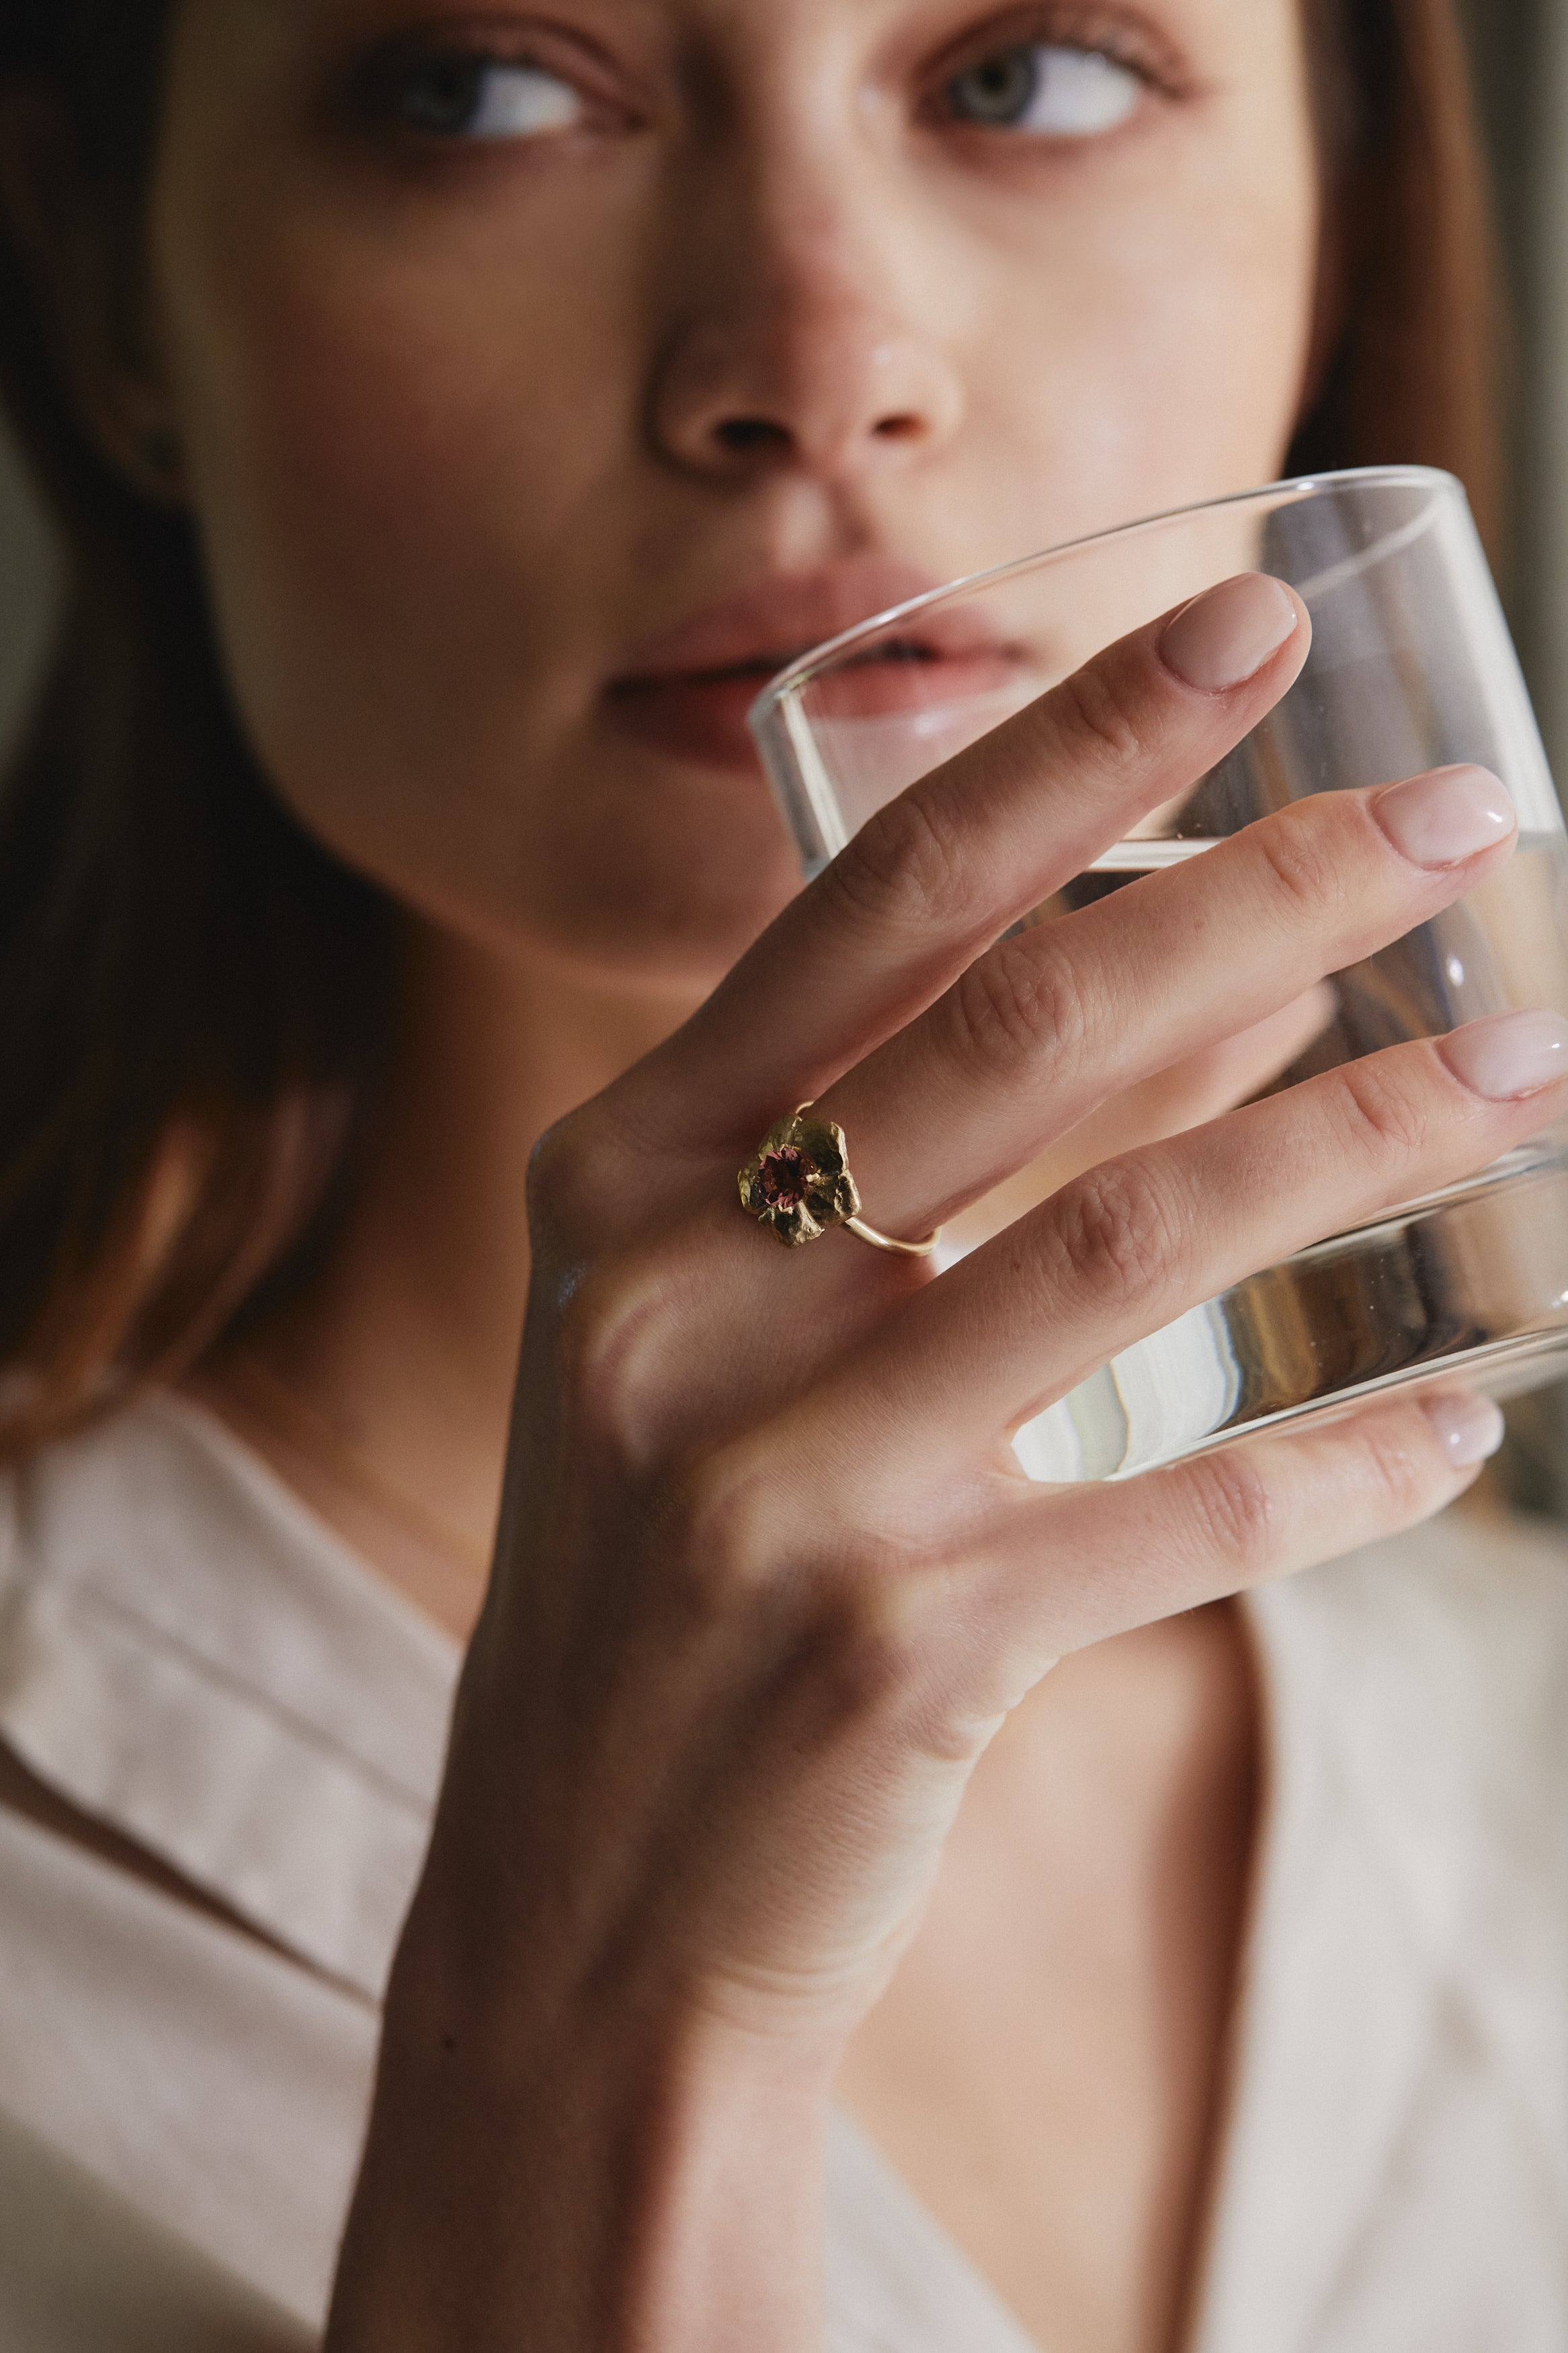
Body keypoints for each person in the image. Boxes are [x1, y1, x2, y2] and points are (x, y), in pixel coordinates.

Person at [0, 1, 1564, 2348]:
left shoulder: (1519, 1715)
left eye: (1029, 74)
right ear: (109, 284)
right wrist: (612, 2052)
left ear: (1335, 232)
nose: (819, 361)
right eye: (479, 91)